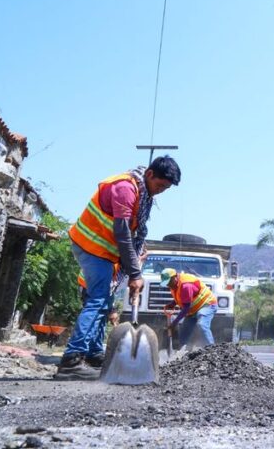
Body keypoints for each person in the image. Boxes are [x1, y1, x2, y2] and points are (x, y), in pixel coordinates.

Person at [54, 155, 181, 380]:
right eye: (160, 185)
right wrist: (134, 273)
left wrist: (135, 268)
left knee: (105, 302)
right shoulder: (125, 188)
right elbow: (122, 233)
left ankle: (93, 354)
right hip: (91, 245)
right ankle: (71, 360)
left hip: (102, 251)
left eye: (166, 188)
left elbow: (133, 234)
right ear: (149, 174)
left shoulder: (143, 194)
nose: (161, 190)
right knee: (98, 300)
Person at [160, 268, 218, 348]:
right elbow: (181, 296)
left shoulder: (186, 285)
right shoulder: (174, 285)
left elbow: (186, 308)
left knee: (201, 324)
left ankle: (212, 349)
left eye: (169, 282)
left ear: (175, 277)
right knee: (184, 333)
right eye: (166, 283)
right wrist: (173, 303)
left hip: (207, 304)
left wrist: (174, 323)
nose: (168, 285)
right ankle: (183, 354)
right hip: (193, 310)